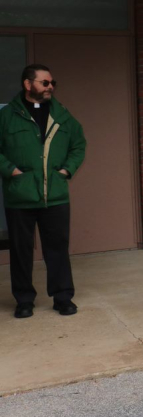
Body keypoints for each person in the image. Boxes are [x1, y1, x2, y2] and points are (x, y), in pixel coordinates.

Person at [0, 64, 86, 319]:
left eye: (52, 83)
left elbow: (79, 146)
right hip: (20, 196)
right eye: (45, 83)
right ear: (28, 84)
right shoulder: (7, 117)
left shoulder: (63, 116)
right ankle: (24, 300)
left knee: (57, 248)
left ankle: (63, 297)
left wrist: (66, 171)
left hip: (55, 197)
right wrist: (10, 170)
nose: (51, 87)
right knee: (21, 250)